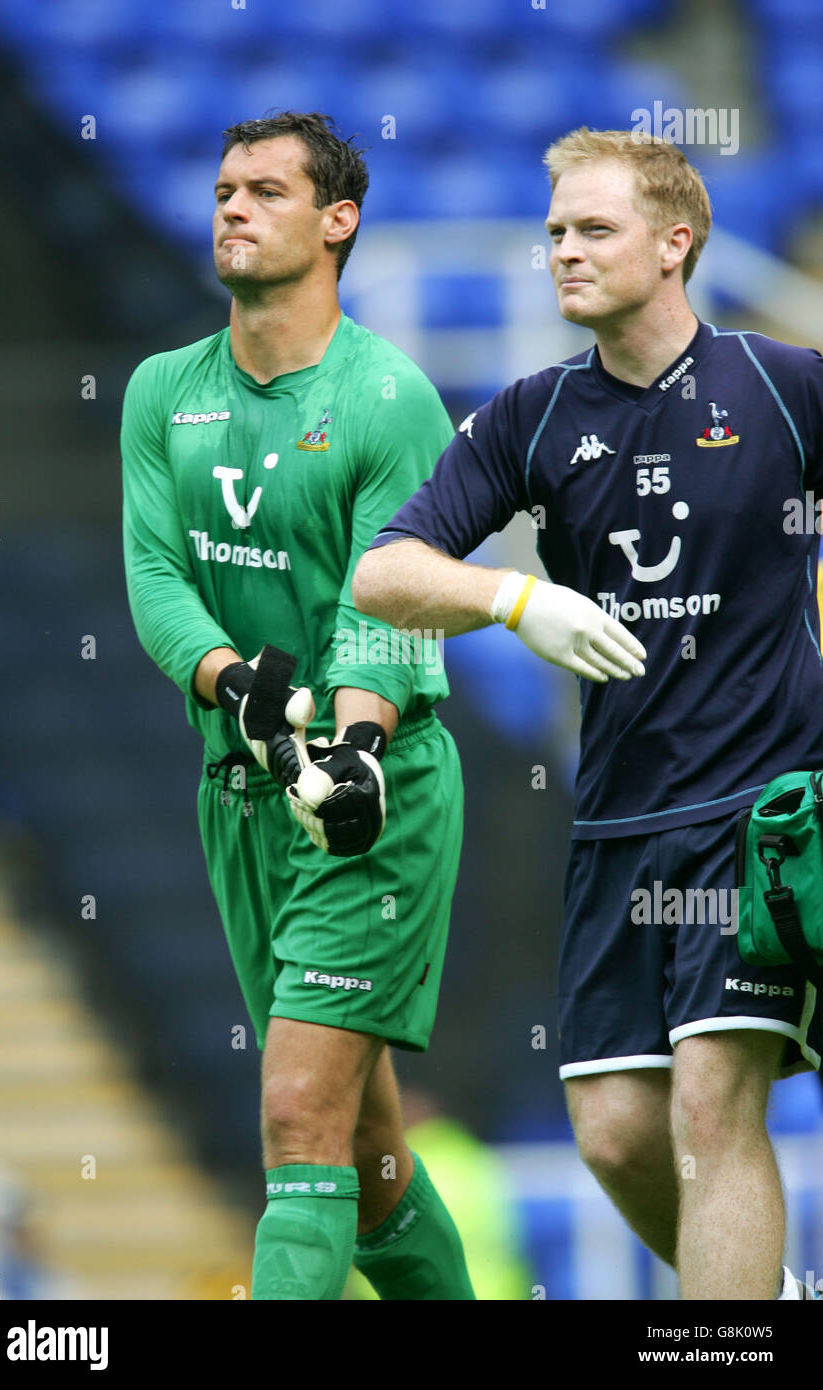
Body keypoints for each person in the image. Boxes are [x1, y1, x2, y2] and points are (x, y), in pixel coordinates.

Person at [352, 127, 823, 1300]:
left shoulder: (779, 383)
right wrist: (514, 597)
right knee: (615, 1131)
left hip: (760, 816)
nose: (560, 250)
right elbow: (383, 573)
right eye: (553, 230)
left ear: (675, 244)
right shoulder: (530, 414)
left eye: (591, 229)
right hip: (616, 822)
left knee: (714, 1107)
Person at [121, 111, 474, 1300]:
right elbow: (156, 580)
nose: (230, 206)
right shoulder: (161, 390)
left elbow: (388, 600)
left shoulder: (388, 396)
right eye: (222, 187)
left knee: (292, 1122)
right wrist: (241, 690)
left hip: (368, 801)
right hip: (239, 788)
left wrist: (351, 746)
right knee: (365, 1162)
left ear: (338, 222)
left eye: (264, 189)